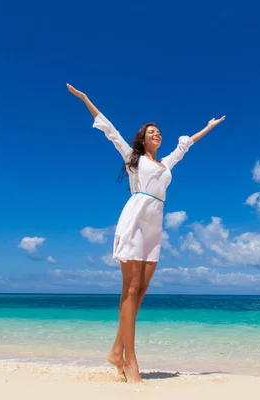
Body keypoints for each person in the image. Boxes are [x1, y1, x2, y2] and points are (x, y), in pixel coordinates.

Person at [67, 83, 225, 383]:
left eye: (159, 132)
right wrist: (86, 99)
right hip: (135, 218)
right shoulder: (133, 159)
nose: (157, 134)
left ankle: (116, 350)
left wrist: (208, 127)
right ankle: (129, 360)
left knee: (141, 291)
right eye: (151, 131)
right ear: (142, 138)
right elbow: (110, 130)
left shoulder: (165, 164)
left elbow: (185, 146)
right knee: (130, 288)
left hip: (155, 225)